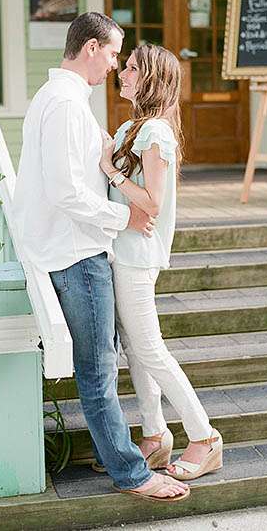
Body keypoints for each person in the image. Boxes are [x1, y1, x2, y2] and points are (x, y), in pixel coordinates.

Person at [13, 12, 189, 502]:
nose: (116, 64)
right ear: (91, 48)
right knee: (98, 371)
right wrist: (125, 220)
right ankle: (132, 473)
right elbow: (67, 191)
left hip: (79, 247)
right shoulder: (66, 104)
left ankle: (123, 451)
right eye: (113, 53)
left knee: (103, 366)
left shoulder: (60, 99)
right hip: (78, 252)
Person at [98, 43, 223, 481]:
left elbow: (152, 203)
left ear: (151, 78)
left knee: (150, 349)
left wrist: (112, 172)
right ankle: (153, 436)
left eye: (132, 69)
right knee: (135, 350)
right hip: (120, 250)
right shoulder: (130, 128)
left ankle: (205, 436)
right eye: (125, 66)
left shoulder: (156, 133)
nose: (123, 74)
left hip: (136, 258)